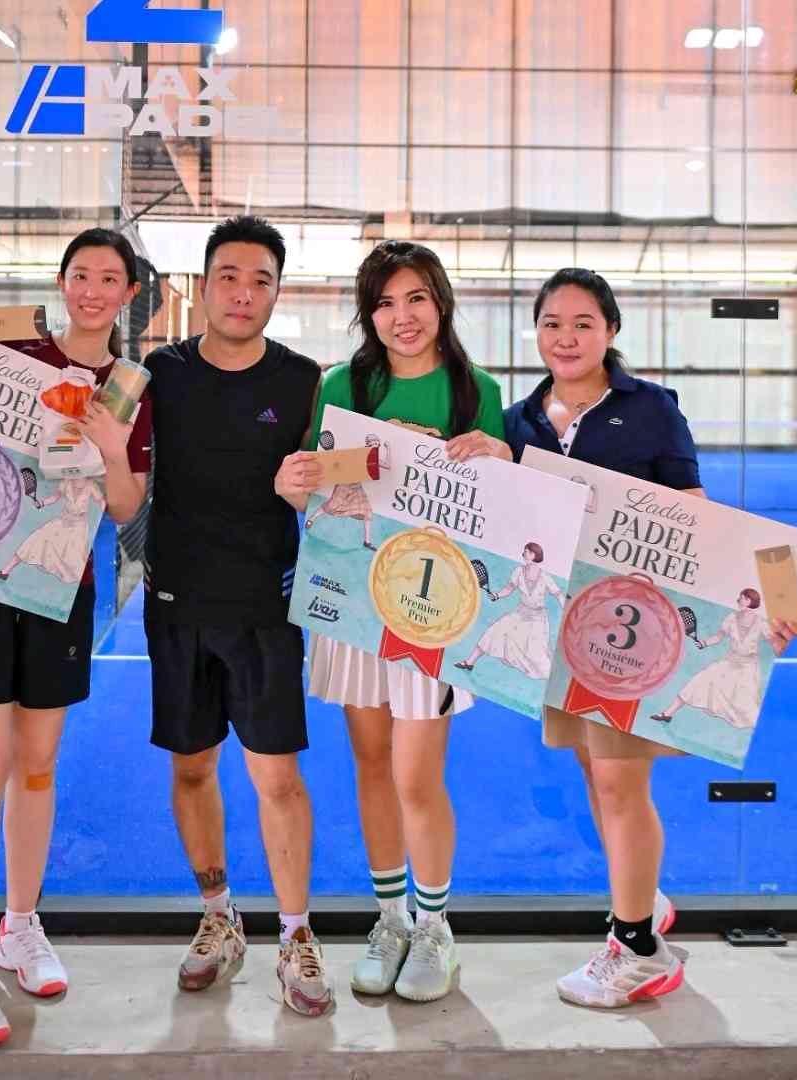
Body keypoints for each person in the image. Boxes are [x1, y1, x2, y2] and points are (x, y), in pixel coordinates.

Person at [503, 267, 797, 1009]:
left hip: (633, 639)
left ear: (610, 330)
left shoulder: (651, 409)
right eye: (551, 323)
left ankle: (638, 948)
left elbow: (705, 517)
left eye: (582, 323)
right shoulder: (519, 421)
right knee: (592, 771)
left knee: (618, 782)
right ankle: (642, 897)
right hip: (568, 634)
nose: (565, 337)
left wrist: (779, 596)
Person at [0, 227, 152, 1049]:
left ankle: (20, 925)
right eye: (81, 274)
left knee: (37, 765)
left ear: (129, 295)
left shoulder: (128, 388)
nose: (93, 290)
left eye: (109, 279)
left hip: (59, 585)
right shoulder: (12, 348)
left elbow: (125, 508)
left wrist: (110, 447)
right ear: (62, 283)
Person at [276, 240, 510, 1002]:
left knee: (416, 773)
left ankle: (435, 926)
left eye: (415, 299)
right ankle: (390, 920)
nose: (401, 317)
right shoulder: (342, 385)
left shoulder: (477, 392)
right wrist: (293, 483)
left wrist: (500, 456)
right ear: (367, 314)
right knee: (372, 763)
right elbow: (317, 489)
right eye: (383, 303)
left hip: (432, 613)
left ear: (440, 302)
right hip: (355, 601)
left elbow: (504, 514)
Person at [142, 216, 331, 1017]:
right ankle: (219, 917)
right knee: (191, 769)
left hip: (264, 608)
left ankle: (295, 934)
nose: (243, 294)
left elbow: (341, 485)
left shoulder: (305, 381)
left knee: (276, 778)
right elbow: (76, 409)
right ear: (204, 284)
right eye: (229, 277)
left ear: (277, 293)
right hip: (175, 605)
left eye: (260, 281)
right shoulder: (159, 372)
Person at [652, 588, 775, 729]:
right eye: (741, 597)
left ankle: (765, 729)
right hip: (729, 662)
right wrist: (704, 643)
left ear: (750, 601)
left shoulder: (761, 623)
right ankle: (667, 714)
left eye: (743, 597)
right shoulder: (731, 618)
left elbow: (773, 640)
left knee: (745, 703)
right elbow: (718, 637)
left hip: (748, 668)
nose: (739, 599)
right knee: (699, 680)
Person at [454, 541, 564, 680]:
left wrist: (564, 608)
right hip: (520, 612)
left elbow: (558, 593)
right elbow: (509, 588)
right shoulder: (518, 571)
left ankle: (554, 677)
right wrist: (497, 595)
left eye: (527, 551)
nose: (524, 553)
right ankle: (469, 662)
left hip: (538, 619)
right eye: (525, 551)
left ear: (534, 555)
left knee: (537, 656)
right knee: (495, 630)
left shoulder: (544, 577)